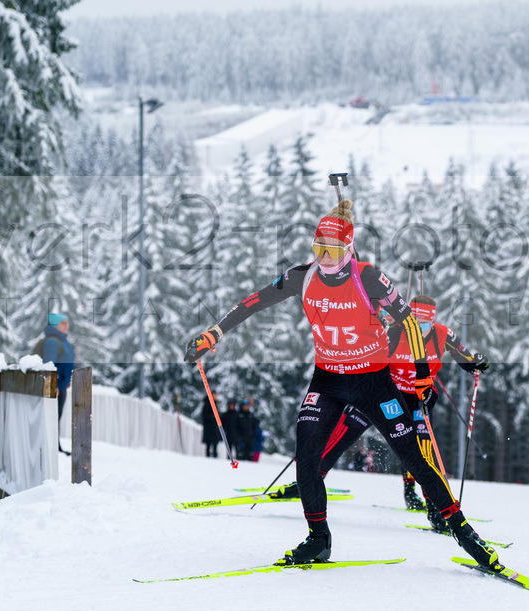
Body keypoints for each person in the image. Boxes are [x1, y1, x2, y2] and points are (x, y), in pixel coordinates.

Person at [184, 198, 499, 570]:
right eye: (318, 249)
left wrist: (416, 366)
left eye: (332, 250)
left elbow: (409, 321)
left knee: (413, 456)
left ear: (348, 250)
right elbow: (253, 301)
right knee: (308, 449)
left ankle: (463, 532)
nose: (324, 257)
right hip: (329, 380)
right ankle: (319, 539)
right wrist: (214, 332)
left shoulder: (367, 276)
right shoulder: (303, 276)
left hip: (373, 381)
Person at [303, 294, 489, 525]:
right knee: (342, 433)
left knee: (423, 452)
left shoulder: (442, 334)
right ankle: (308, 481)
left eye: (425, 323)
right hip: (384, 395)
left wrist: (475, 363)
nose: (420, 329)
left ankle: (436, 510)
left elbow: (464, 356)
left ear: (433, 321)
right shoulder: (394, 332)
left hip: (417, 401)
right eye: (415, 321)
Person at [34, 313, 74, 453]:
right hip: (53, 387)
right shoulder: (52, 342)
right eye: (63, 323)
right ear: (55, 326)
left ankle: (55, 446)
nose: (66, 326)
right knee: (51, 416)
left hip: (61, 386)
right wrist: (53, 385)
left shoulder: (63, 342)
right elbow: (49, 364)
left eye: (67, 323)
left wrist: (66, 380)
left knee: (56, 416)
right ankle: (50, 447)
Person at [201, 390, 220, 457]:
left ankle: (215, 455)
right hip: (209, 427)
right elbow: (204, 415)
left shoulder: (215, 404)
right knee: (208, 444)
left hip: (214, 427)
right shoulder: (207, 403)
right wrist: (213, 418)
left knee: (215, 444)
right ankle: (208, 456)